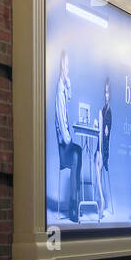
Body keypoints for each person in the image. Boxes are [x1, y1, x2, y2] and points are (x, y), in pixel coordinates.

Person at [55, 50, 83, 222]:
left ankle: (76, 201)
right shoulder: (59, 88)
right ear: (61, 67)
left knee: (79, 153)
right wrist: (68, 140)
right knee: (76, 156)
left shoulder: (63, 86)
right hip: (63, 145)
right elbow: (59, 117)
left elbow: (70, 98)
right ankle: (74, 205)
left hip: (66, 141)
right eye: (65, 66)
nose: (67, 70)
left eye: (68, 67)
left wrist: (69, 84)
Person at [96, 77, 113, 220]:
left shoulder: (108, 112)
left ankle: (101, 199)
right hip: (102, 148)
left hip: (103, 150)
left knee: (96, 165)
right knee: (95, 163)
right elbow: (103, 133)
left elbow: (105, 137)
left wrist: (102, 153)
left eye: (107, 93)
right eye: (104, 92)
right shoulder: (104, 110)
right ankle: (101, 199)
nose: (105, 95)